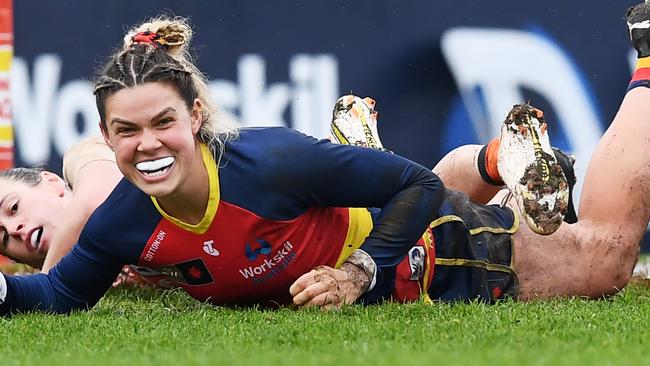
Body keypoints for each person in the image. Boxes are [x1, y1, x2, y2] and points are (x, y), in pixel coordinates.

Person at [0, 3, 644, 313]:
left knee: (609, 257)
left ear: (195, 116)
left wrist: (357, 273)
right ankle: (496, 166)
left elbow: (414, 186)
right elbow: (59, 291)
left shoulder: (263, 162)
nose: (147, 146)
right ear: (107, 139)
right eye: (127, 131)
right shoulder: (123, 220)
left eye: (163, 122)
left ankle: (645, 60)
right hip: (389, 256)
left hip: (435, 256)